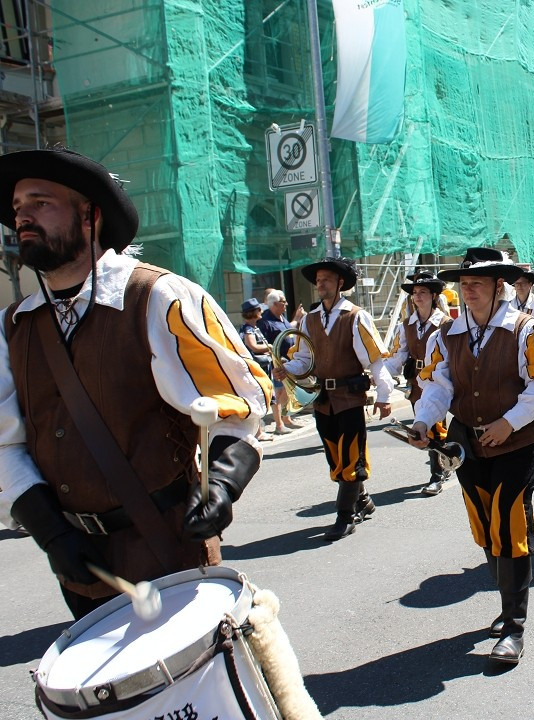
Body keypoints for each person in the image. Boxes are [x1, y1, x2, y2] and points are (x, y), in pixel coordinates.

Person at [0, 147, 268, 619]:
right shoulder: (12, 327)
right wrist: (51, 532)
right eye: (19, 208)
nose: (23, 217)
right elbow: (6, 444)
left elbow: (240, 403)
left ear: (91, 215)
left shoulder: (156, 296)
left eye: (40, 203)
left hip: (169, 550)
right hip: (78, 565)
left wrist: (223, 483)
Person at [410, 247, 534, 665]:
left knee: (509, 523)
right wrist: (424, 422)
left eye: (476, 283)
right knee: (484, 524)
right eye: (463, 284)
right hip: (466, 443)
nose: (468, 290)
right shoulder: (446, 333)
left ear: (501, 287)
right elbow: (438, 387)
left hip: (514, 443)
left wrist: (509, 422)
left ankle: (514, 626)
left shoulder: (528, 330)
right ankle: (505, 602)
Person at [274, 256, 393, 542]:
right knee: (334, 458)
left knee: (352, 458)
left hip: (350, 397)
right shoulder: (309, 320)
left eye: (326, 279)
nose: (320, 284)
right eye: (318, 280)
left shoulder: (355, 316)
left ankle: (345, 515)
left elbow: (375, 360)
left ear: (340, 283)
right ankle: (362, 501)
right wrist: (287, 369)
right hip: (322, 399)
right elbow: (303, 358)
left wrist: (385, 395)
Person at [384, 271, 452, 496]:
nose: (418, 296)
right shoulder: (407, 324)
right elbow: (397, 355)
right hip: (416, 382)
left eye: (423, 292)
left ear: (434, 295)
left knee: (436, 428)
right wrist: (381, 376)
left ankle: (437, 474)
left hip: (439, 379)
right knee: (422, 428)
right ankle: (444, 462)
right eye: (415, 293)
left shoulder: (445, 322)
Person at [258, 289, 305, 432]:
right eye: (283, 302)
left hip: (289, 361)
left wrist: (297, 319)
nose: (286, 304)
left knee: (287, 391)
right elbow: (263, 343)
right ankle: (279, 425)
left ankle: (286, 418)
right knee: (278, 393)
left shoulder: (281, 317)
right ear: (275, 304)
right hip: (277, 363)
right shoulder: (265, 321)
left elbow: (288, 329)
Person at [239, 297, 282, 437]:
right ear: (254, 312)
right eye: (259, 309)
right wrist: (269, 347)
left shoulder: (253, 327)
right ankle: (259, 432)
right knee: (258, 398)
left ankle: (261, 430)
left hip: (261, 367)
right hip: (257, 368)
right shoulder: (248, 329)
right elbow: (253, 346)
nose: (262, 310)